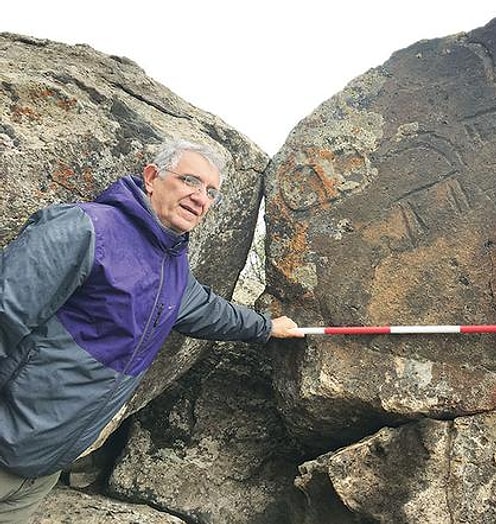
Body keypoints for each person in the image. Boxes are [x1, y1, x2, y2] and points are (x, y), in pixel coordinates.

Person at [0, 138, 304, 522]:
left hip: (42, 469)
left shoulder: (172, 269)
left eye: (211, 192)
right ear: (151, 177)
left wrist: (267, 327)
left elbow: (212, 311)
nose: (201, 198)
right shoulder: (85, 228)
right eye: (191, 181)